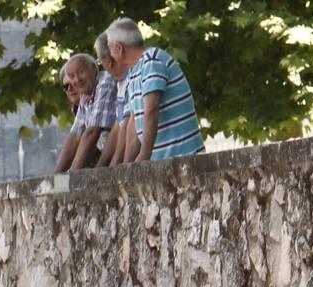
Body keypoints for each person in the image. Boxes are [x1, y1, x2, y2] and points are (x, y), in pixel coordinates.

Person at [106, 17, 205, 162]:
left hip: (185, 159)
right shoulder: (133, 73)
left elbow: (151, 110)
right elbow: (134, 126)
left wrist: (144, 155)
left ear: (119, 48)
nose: (109, 54)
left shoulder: (151, 60)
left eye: (109, 47)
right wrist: (126, 167)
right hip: (164, 163)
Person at [55, 53, 116, 173]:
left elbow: (92, 132)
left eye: (81, 72)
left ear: (94, 69)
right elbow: (74, 136)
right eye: (72, 76)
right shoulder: (86, 95)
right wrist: (55, 178)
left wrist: (71, 176)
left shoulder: (105, 82)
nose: (77, 80)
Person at [95, 33, 131, 167]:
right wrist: (100, 169)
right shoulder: (120, 82)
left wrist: (113, 168)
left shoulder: (129, 77)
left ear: (108, 60)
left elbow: (125, 128)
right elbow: (117, 128)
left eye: (100, 61)